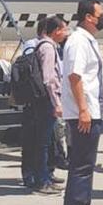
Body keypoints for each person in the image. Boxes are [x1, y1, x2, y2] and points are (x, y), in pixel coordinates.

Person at [60, 0, 103, 205]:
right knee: (80, 164)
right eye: (101, 14)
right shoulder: (78, 41)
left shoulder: (88, 41)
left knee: (88, 163)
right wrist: (82, 110)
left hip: (92, 110)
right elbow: (75, 77)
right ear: (89, 17)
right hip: (84, 112)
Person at [27, 16, 68, 195]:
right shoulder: (48, 48)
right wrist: (57, 103)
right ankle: (41, 181)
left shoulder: (44, 45)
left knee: (45, 141)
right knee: (43, 142)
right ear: (56, 30)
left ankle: (44, 176)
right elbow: (49, 78)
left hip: (42, 100)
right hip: (46, 101)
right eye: (64, 29)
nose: (66, 33)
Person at [19, 20, 50, 189]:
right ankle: (30, 175)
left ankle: (46, 173)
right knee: (32, 139)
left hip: (45, 99)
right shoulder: (33, 46)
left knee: (46, 140)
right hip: (35, 99)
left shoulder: (51, 46)